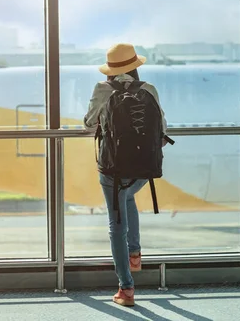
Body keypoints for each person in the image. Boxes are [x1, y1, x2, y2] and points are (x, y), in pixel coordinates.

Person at [84, 43, 168, 307]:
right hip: (144, 167)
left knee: (115, 224)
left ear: (110, 70)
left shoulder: (102, 89)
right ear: (135, 67)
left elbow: (88, 123)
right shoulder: (148, 89)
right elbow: (162, 131)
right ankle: (135, 253)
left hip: (113, 169)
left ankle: (126, 289)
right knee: (128, 196)